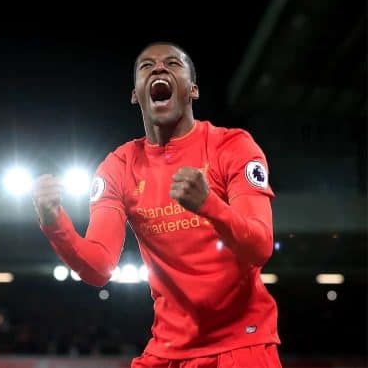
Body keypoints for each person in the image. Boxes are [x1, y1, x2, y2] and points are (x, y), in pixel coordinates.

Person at [32, 41, 281, 368]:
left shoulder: (232, 147)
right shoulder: (118, 166)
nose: (159, 68)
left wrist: (209, 205)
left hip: (240, 345)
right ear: (136, 94)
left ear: (192, 90)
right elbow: (98, 268)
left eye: (173, 64)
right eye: (146, 66)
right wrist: (54, 223)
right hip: (167, 350)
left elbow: (260, 247)